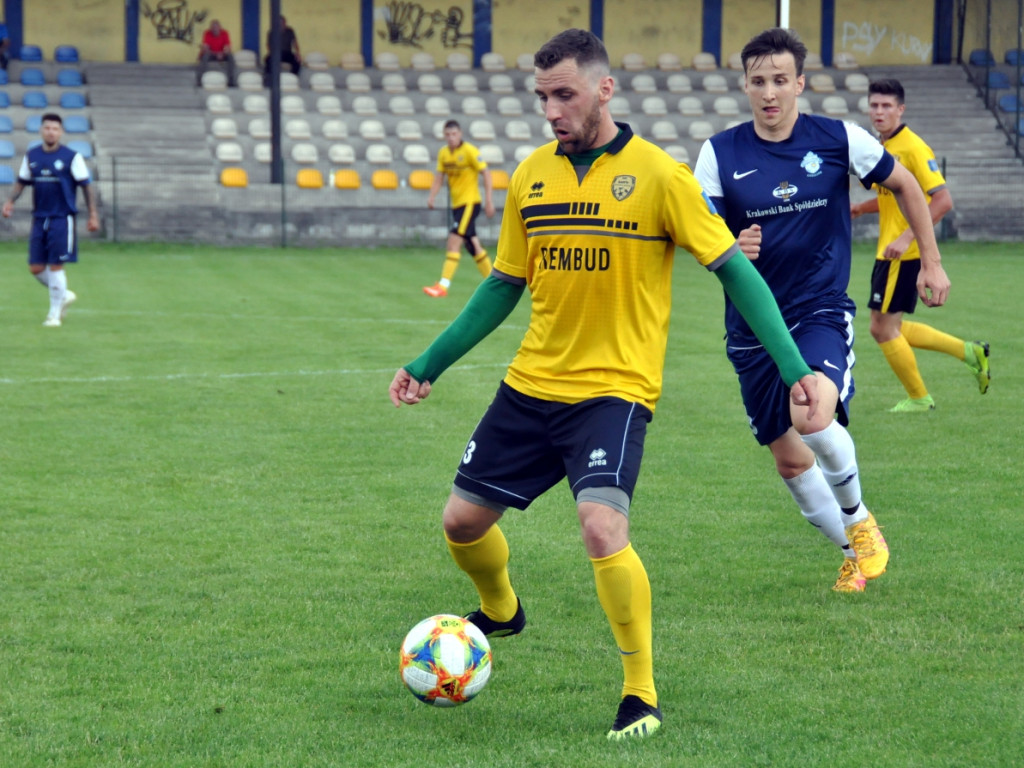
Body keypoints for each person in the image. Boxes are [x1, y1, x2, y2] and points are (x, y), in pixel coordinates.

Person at [390, 28, 819, 740]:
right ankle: (501, 610)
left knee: (601, 524)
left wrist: (794, 366)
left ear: (604, 89)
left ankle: (640, 692)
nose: (553, 110)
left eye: (565, 94)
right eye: (543, 97)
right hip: (532, 385)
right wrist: (427, 364)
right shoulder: (532, 176)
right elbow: (501, 287)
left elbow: (735, 269)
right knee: (460, 525)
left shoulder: (658, 176)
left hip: (614, 391)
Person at [694, 28, 950, 592]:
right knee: (789, 462)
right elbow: (700, 234)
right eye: (758, 81)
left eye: (780, 81)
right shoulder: (718, 153)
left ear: (799, 83)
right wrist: (730, 245)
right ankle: (852, 554)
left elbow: (908, 185)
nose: (769, 93)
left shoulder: (839, 139)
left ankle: (860, 522)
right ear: (744, 84)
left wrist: (929, 260)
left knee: (812, 413)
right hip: (751, 326)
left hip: (819, 310)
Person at [851, 78, 990, 412]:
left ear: (901, 109)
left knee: (881, 329)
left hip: (903, 253)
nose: (879, 112)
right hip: (890, 250)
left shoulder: (912, 147)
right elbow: (893, 197)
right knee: (890, 326)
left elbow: (941, 201)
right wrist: (859, 207)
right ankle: (969, 352)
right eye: (874, 105)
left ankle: (919, 398)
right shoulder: (880, 147)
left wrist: (907, 236)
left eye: (887, 106)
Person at [2, 113, 99, 327]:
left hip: (62, 218)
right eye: (47, 128)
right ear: (41, 130)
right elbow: (22, 181)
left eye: (55, 129)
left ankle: (54, 315)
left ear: (61, 132)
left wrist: (93, 215)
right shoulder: (32, 156)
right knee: (35, 267)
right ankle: (63, 294)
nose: (51, 132)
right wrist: (10, 201)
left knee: (56, 265)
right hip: (39, 217)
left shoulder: (72, 157)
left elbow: (86, 187)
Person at [422, 120, 495, 297]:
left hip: (469, 203)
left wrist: (489, 200)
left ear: (460, 134)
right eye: (447, 135)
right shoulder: (444, 154)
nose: (451, 138)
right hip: (457, 206)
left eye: (454, 134)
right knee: (472, 245)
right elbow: (439, 176)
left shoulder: (470, 151)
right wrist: (432, 196)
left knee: (454, 241)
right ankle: (495, 283)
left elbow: (486, 173)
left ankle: (443, 286)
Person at [196, 19, 236, 87]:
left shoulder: (224, 33)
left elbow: (228, 47)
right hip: (211, 54)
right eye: (213, 28)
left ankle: (231, 80)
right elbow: (205, 48)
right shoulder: (207, 33)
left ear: (220, 27)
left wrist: (222, 53)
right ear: (210, 28)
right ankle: (200, 80)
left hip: (222, 54)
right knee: (204, 56)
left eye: (216, 28)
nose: (214, 29)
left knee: (230, 56)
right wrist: (216, 54)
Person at [263, 15, 301, 84]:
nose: (281, 25)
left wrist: (297, 53)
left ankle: (293, 78)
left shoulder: (290, 31)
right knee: (267, 60)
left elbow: (295, 43)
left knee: (297, 61)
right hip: (276, 53)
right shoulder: (272, 32)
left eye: (283, 23)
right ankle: (269, 79)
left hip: (287, 53)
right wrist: (272, 52)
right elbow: (268, 45)